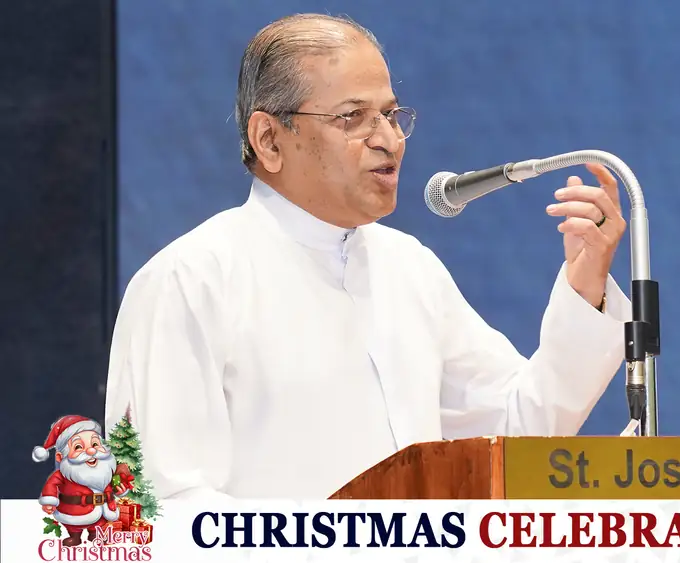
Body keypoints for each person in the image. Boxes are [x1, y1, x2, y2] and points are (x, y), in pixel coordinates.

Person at [104, 13, 631, 500]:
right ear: (269, 140)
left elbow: (515, 433)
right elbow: (162, 506)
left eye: (391, 114)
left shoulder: (409, 268)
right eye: (353, 117)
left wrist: (586, 283)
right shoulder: (190, 281)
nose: (389, 140)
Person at [32, 415, 132, 546]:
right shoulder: (64, 474)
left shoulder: (106, 469)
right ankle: (75, 537)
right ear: (60, 457)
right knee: (74, 526)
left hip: (103, 510)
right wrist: (49, 501)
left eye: (95, 444)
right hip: (74, 512)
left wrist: (119, 490)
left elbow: (114, 484)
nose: (91, 450)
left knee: (98, 525)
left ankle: (94, 535)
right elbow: (51, 486)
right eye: (78, 447)